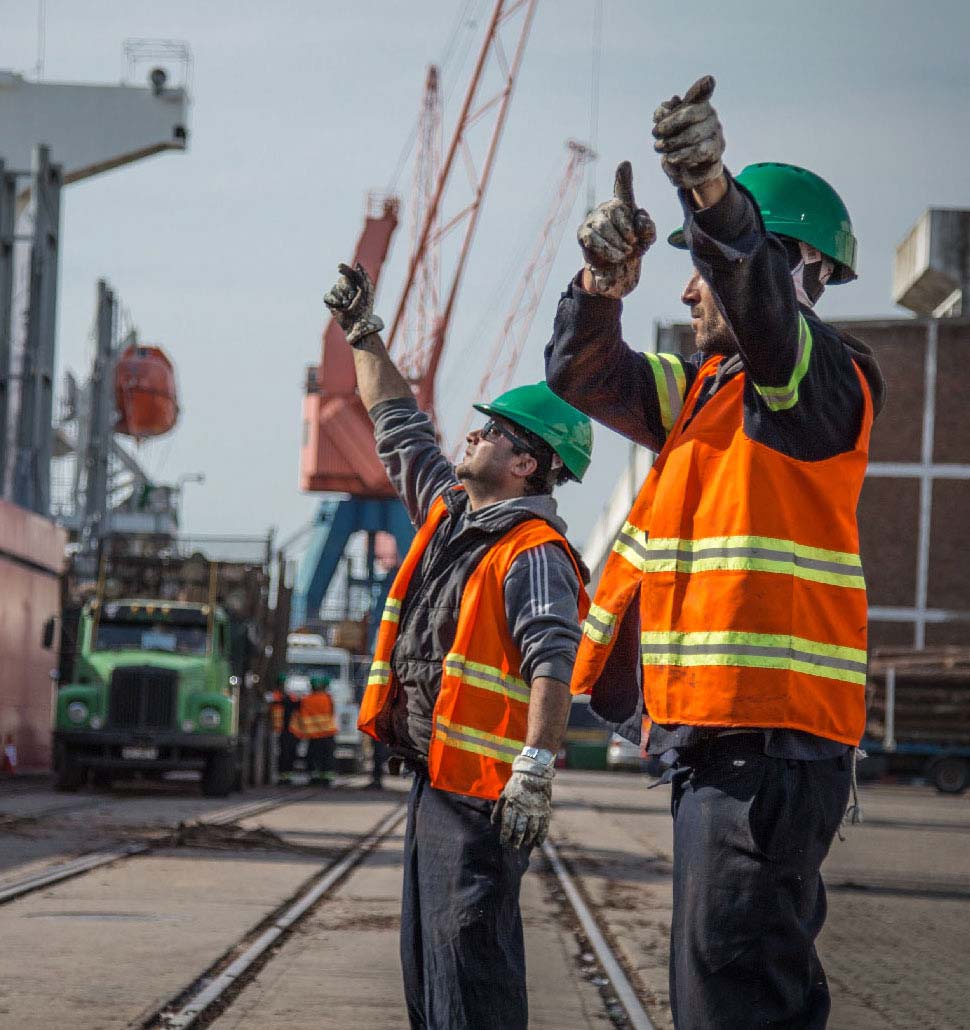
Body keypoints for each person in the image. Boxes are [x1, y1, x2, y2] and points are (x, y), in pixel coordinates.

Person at [545, 76, 885, 1030]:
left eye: (710, 264)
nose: (690, 283)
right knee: (721, 993)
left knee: (735, 1000)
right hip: (714, 745)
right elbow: (584, 372)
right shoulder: (704, 393)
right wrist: (598, 290)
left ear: (792, 271)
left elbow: (770, 320)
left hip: (767, 750)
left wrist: (707, 193)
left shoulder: (827, 385)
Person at [323, 262, 593, 1030]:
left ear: (526, 461)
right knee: (431, 974)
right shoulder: (451, 516)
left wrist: (534, 771)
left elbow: (552, 662)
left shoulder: (532, 550)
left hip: (484, 798)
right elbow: (398, 421)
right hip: (438, 784)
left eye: (488, 431)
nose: (468, 434)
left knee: (470, 967)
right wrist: (363, 333)